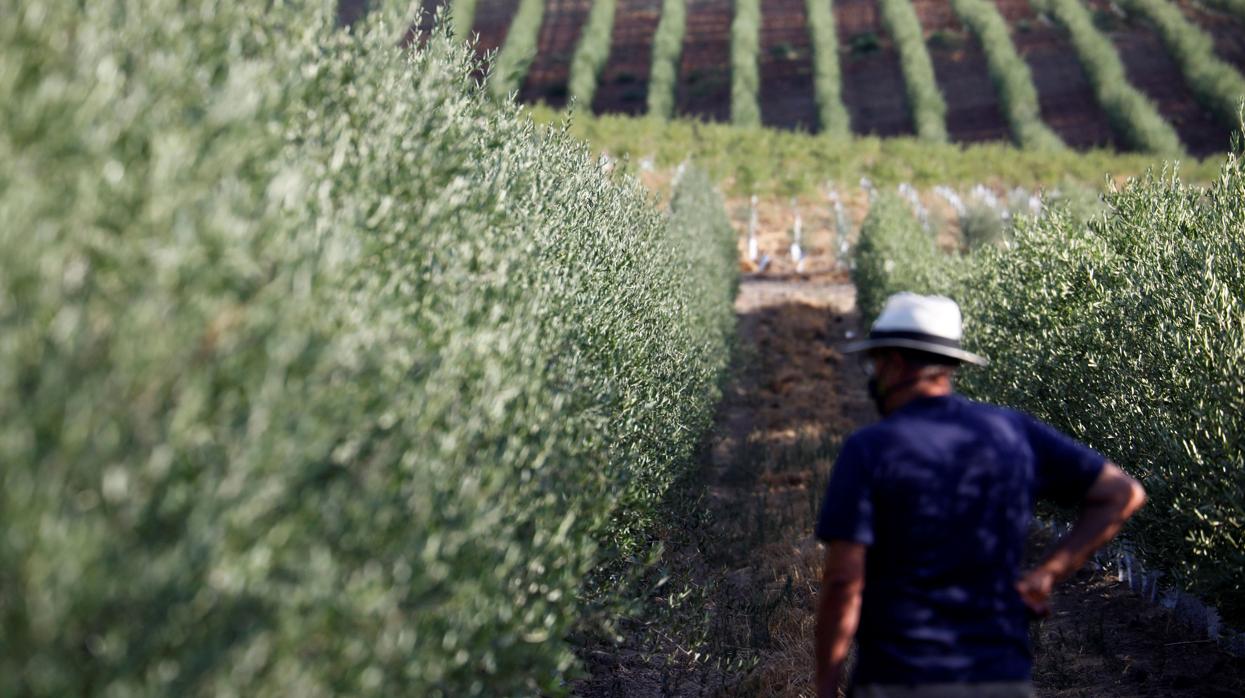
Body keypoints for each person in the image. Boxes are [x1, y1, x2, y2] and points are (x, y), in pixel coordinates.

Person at [814, 293, 1146, 698]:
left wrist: (827, 683)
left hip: (899, 676)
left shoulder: (870, 450)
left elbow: (844, 579)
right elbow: (1122, 494)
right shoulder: (1012, 432)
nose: (873, 377)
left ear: (896, 364)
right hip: (999, 675)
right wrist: (1045, 576)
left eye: (876, 363)